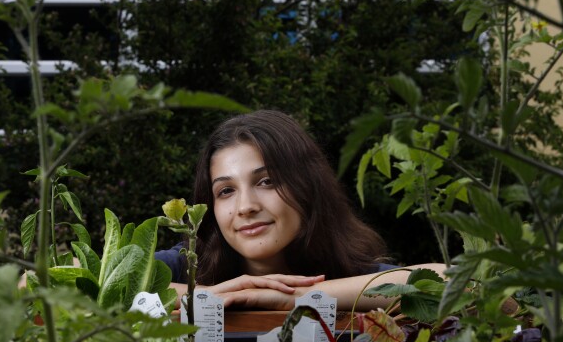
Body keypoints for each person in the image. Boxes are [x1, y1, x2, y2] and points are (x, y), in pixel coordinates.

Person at [155, 110, 445, 312]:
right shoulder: (189, 266)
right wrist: (207, 296)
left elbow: (463, 283)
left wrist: (297, 297)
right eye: (226, 191)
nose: (246, 207)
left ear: (306, 187)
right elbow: (110, 286)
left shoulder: (349, 273)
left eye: (266, 181)